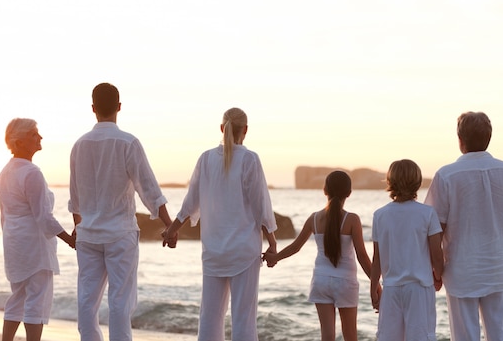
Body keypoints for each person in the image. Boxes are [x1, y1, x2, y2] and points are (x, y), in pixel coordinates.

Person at [68, 83, 176, 341]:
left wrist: (78, 228)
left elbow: (75, 198)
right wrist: (169, 226)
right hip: (119, 235)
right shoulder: (128, 142)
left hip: (88, 236)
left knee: (86, 301)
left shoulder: (79, 145)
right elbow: (149, 189)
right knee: (120, 302)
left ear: (93, 109)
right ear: (119, 106)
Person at [161, 107, 277, 341]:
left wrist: (171, 230)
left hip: (213, 252)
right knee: (243, 319)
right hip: (244, 253)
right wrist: (272, 242)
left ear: (222, 128)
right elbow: (260, 206)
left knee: (210, 318)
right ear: (245, 130)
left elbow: (189, 204)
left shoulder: (206, 159)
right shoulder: (250, 159)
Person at [424, 111, 503, 341]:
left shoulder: (446, 175)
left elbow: (435, 230)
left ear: (460, 140)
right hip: (499, 267)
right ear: (488, 138)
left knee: (464, 335)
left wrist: (436, 269)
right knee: (502, 334)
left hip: (461, 268)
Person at [263, 170, 375, 341]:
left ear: (325, 190)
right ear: (349, 193)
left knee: (327, 336)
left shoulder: (314, 218)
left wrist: (274, 258)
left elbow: (295, 247)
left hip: (320, 281)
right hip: (345, 282)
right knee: (350, 336)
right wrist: (377, 286)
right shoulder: (352, 220)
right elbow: (363, 257)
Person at [0, 118, 75, 341]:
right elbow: (43, 217)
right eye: (33, 134)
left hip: (14, 242)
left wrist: (11, 240)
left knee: (17, 297)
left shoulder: (4, 173)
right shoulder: (31, 173)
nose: (39, 138)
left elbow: (4, 216)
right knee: (36, 300)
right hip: (34, 245)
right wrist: (70, 239)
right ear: (19, 142)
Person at [370, 159, 444, 341]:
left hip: (391, 289)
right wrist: (438, 275)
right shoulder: (427, 213)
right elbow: (436, 254)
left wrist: (373, 288)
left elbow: (377, 258)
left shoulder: (380, 215)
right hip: (419, 288)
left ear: (390, 182)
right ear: (417, 183)